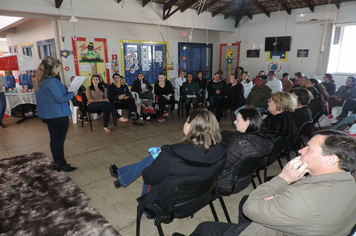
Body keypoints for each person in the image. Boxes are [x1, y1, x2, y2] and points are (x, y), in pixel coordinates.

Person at [187, 130, 356, 236]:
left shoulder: (302, 198)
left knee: (205, 228)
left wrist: (284, 178)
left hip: (277, 229)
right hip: (301, 223)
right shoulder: (350, 182)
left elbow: (250, 208)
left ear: (330, 160)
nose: (301, 150)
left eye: (309, 148)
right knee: (246, 199)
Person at [110, 109, 227, 216]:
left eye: (187, 121)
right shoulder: (222, 149)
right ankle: (122, 176)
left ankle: (145, 208)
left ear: (190, 127)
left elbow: (148, 178)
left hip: (169, 206)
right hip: (200, 199)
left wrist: (156, 162)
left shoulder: (172, 153)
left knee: (152, 164)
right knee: (156, 160)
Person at [34, 56, 77, 172]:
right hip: (58, 115)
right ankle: (61, 164)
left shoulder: (41, 80)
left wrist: (65, 88)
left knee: (54, 139)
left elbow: (53, 93)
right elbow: (60, 99)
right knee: (58, 141)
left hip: (49, 116)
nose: (59, 71)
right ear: (54, 67)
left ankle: (57, 162)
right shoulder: (52, 81)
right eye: (58, 68)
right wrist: (72, 93)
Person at [217, 108, 274, 194]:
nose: (234, 122)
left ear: (247, 123)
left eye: (237, 120)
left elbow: (223, 165)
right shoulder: (265, 141)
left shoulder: (240, 143)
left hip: (226, 183)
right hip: (244, 180)